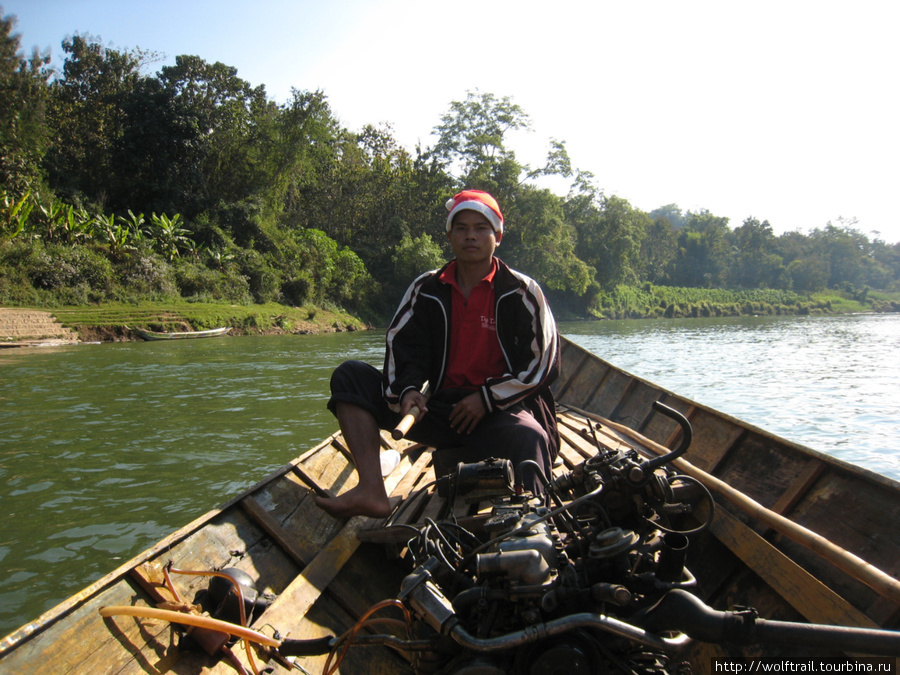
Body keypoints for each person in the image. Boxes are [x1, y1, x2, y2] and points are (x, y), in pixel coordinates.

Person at [316, 189, 560, 519]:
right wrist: (409, 391)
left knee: (530, 436)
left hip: (497, 410)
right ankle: (371, 490)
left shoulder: (522, 292)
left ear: (498, 236)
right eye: (461, 228)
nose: (470, 235)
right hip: (441, 409)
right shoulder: (426, 288)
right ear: (449, 235)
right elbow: (403, 349)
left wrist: (486, 399)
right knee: (350, 376)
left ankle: (533, 520)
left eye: (481, 227)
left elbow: (543, 364)